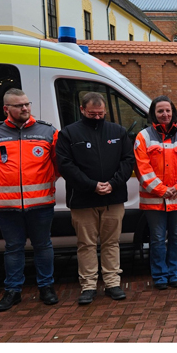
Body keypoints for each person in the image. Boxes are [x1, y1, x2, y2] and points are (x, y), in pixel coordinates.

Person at [0, 88, 59, 311]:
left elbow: (57, 164)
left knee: (43, 246)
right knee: (13, 249)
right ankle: (13, 291)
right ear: (6, 109)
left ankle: (46, 287)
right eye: (19, 105)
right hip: (8, 206)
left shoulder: (47, 131)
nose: (25, 108)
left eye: (27, 104)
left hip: (41, 203)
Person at [56, 92, 135, 305]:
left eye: (100, 114)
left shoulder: (118, 132)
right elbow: (65, 165)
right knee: (86, 244)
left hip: (113, 197)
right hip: (82, 199)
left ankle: (112, 283)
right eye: (92, 113)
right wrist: (91, 186)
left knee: (111, 243)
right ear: (82, 110)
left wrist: (113, 183)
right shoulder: (69, 134)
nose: (97, 118)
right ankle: (88, 285)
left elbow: (128, 160)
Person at [135, 96, 177, 290]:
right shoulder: (143, 136)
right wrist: (163, 190)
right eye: (160, 111)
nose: (165, 114)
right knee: (158, 239)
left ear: (173, 112)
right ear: (153, 113)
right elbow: (142, 169)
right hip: (154, 199)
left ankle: (174, 273)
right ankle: (160, 276)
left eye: (168, 111)